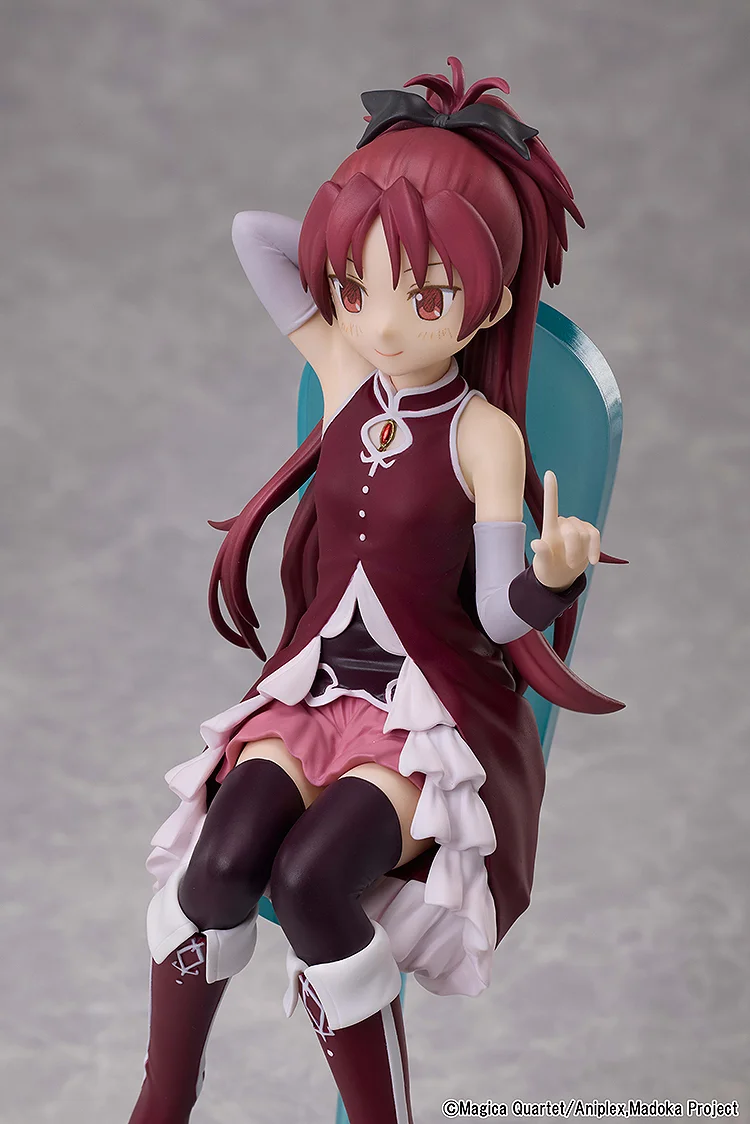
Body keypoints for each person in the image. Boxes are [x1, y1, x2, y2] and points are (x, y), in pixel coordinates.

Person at [128, 56, 624, 1124]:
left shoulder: (485, 436)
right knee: (217, 863)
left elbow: (494, 615)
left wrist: (551, 577)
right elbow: (255, 237)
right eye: (360, 291)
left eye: (428, 295)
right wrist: (383, 186)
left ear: (487, 301)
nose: (388, 325)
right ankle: (162, 1099)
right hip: (312, 696)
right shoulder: (347, 373)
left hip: (421, 714)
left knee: (311, 881)